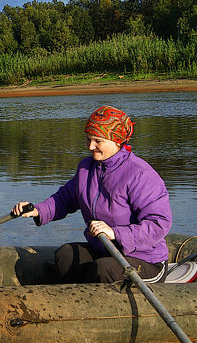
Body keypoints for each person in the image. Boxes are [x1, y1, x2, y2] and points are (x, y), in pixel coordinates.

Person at [12, 104, 172, 284]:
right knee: (65, 256)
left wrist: (115, 233)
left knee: (105, 269)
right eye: (88, 139)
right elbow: (64, 199)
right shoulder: (86, 168)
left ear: (117, 140)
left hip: (145, 259)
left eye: (97, 141)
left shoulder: (140, 174)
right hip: (104, 250)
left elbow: (160, 224)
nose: (90, 146)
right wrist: (37, 210)